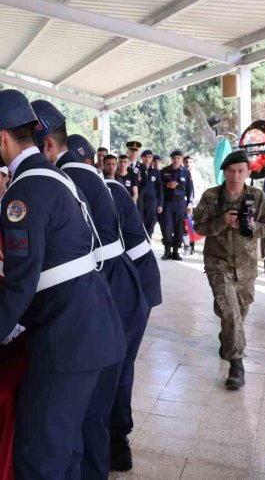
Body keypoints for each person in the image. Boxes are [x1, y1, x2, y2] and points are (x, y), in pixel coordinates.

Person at [0, 90, 125, 480]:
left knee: (39, 457)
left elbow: (20, 283)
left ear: (1, 137)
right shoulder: (55, 177)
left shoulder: (24, 192)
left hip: (68, 339)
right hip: (90, 327)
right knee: (67, 449)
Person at [33, 101, 145, 478]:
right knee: (98, 399)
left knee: (92, 405)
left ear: (48, 145)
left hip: (111, 286)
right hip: (117, 283)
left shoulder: (66, 178)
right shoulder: (82, 173)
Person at [69, 134, 162, 472]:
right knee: (115, 368)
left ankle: (117, 442)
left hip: (131, 286)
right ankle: (110, 441)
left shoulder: (96, 190)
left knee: (116, 369)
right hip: (132, 284)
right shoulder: (104, 188)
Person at [193, 151, 265, 390]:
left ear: (248, 172)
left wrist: (251, 226)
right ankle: (236, 365)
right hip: (217, 263)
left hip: (246, 266)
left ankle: (227, 337)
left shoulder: (257, 197)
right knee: (230, 312)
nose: (235, 176)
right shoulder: (211, 197)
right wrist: (222, 221)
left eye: (240, 171)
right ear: (224, 172)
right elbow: (199, 227)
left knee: (239, 311)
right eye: (230, 171)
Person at [160, 150, 194, 261]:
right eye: (174, 158)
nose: (176, 160)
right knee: (167, 227)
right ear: (171, 159)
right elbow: (158, 187)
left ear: (181, 159)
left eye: (178, 158)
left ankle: (175, 251)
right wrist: (167, 185)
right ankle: (167, 251)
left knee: (179, 228)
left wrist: (190, 204)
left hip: (180, 203)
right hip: (167, 203)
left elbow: (190, 189)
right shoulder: (164, 171)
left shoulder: (186, 172)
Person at [183, 155, 205, 256]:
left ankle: (192, 247)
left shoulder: (197, 175)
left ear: (193, 164)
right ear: (183, 163)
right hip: (185, 205)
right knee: (186, 226)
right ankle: (187, 246)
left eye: (190, 162)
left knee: (194, 226)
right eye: (186, 162)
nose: (188, 164)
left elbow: (201, 188)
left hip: (196, 205)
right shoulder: (182, 173)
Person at [137, 149, 163, 238]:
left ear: (152, 158)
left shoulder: (156, 172)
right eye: (145, 157)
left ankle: (148, 239)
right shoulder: (137, 170)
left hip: (152, 202)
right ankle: (141, 240)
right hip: (140, 200)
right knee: (140, 221)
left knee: (151, 223)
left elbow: (160, 189)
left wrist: (160, 204)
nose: (147, 159)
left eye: (150, 157)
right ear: (142, 157)